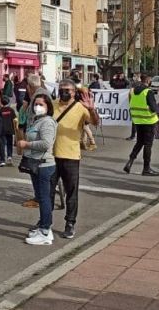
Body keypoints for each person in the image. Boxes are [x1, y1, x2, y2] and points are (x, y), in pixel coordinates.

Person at [50, 79, 99, 239]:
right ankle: (45, 221)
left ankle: (70, 223)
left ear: (73, 92)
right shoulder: (52, 104)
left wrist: (91, 110)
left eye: (67, 90)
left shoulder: (80, 107)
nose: (64, 92)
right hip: (51, 155)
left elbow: (95, 122)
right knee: (47, 192)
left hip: (70, 156)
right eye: (61, 89)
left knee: (71, 192)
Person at [17, 94, 58, 245]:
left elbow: (46, 144)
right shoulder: (36, 120)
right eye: (36, 104)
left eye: (41, 104)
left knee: (44, 198)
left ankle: (45, 231)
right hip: (35, 164)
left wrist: (26, 145)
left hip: (43, 164)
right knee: (41, 198)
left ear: (48, 106)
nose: (37, 107)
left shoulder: (47, 122)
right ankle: (44, 226)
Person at [124, 74, 159, 176]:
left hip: (138, 121)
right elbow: (153, 108)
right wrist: (158, 112)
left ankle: (130, 162)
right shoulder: (148, 92)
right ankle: (146, 168)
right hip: (149, 122)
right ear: (148, 80)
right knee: (148, 145)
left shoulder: (134, 91)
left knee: (139, 142)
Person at [0, 96, 17, 167]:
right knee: (9, 144)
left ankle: (2, 160)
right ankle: (9, 156)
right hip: (10, 129)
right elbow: (15, 119)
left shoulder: (0, 111)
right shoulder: (11, 110)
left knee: (2, 145)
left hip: (2, 130)